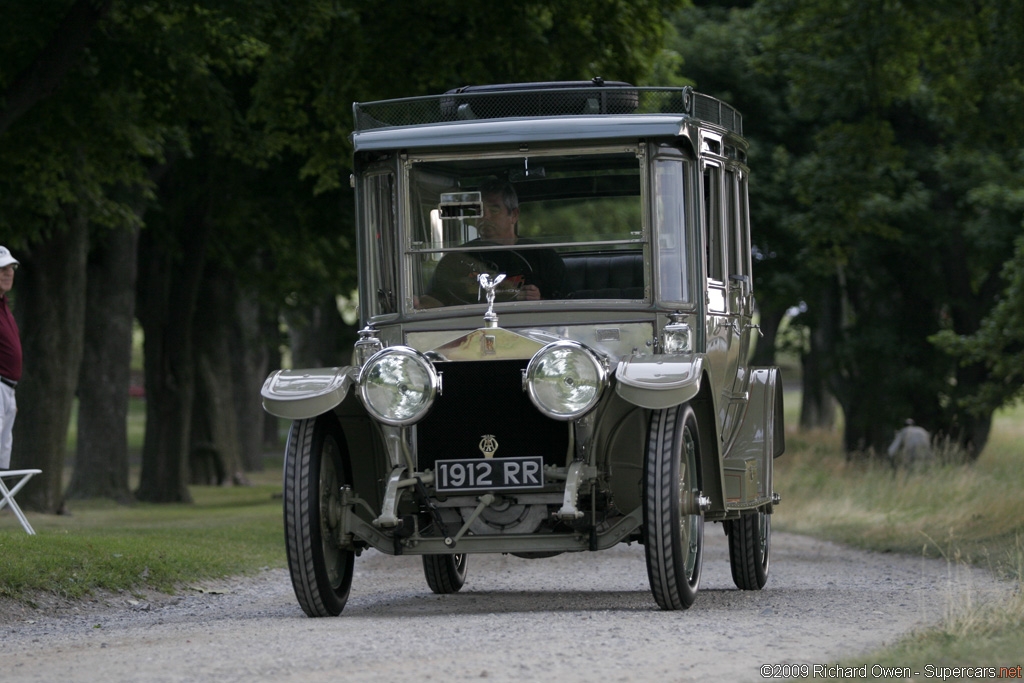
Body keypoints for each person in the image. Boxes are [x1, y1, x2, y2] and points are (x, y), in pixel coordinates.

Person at [421, 179, 567, 307]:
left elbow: (565, 305)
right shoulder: (456, 258)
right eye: (480, 210)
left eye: (494, 210)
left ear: (514, 215)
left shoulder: (542, 256)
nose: (485, 217)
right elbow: (435, 299)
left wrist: (538, 300)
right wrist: (418, 304)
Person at [0, 246, 21, 470]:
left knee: (2, 462)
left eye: (11, 267)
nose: (8, 272)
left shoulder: (4, 306)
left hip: (7, 390)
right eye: (2, 268)